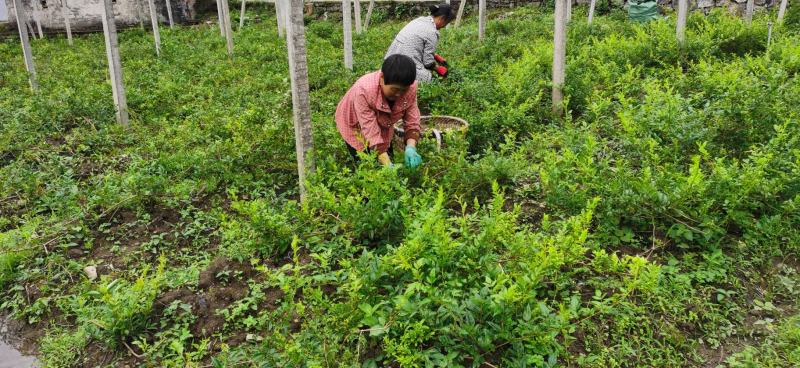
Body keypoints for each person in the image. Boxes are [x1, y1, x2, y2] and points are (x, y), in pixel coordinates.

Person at [335, 54, 423, 168]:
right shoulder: (364, 91)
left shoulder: (410, 88)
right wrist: (387, 165)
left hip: (383, 120)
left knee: (386, 153)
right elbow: (370, 131)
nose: (399, 94)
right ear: (382, 78)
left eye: (403, 90)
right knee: (366, 164)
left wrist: (411, 147)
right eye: (395, 89)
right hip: (355, 124)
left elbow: (412, 120)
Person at [385, 4, 454, 83]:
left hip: (389, 62)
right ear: (443, 19)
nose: (444, 26)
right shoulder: (432, 32)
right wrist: (438, 68)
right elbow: (428, 63)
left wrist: (435, 56)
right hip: (403, 66)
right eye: (447, 23)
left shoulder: (419, 20)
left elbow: (416, 43)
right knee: (430, 79)